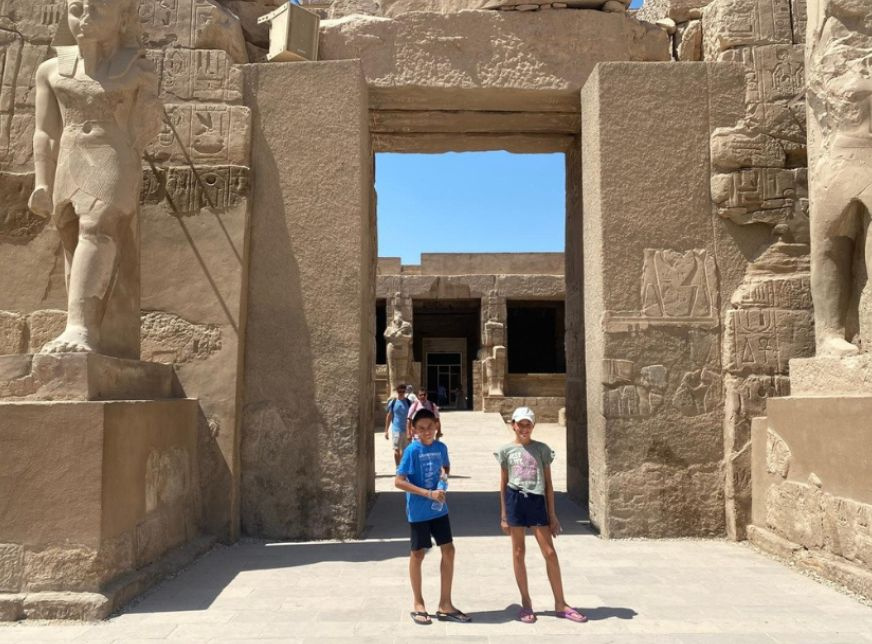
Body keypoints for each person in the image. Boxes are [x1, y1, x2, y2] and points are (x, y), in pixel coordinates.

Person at [495, 406, 587, 624]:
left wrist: (552, 515)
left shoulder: (542, 449)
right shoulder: (506, 451)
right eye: (520, 424)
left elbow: (548, 484)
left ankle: (560, 603)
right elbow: (503, 484)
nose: (524, 428)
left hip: (536, 501)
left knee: (549, 552)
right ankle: (526, 603)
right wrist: (504, 515)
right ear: (513, 425)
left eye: (528, 424)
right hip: (515, 500)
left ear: (533, 426)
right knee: (518, 552)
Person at [395, 408, 470, 625]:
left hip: (439, 509)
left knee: (449, 550)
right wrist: (428, 493)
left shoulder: (441, 447)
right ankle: (418, 603)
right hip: (419, 511)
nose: (426, 431)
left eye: (429, 427)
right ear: (414, 430)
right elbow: (399, 481)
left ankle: (445, 604)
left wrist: (442, 486)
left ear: (436, 426)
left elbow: (445, 469)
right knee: (418, 553)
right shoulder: (412, 450)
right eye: (421, 428)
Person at [384, 385, 411, 466]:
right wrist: (386, 431)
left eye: (403, 391)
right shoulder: (393, 402)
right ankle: (398, 467)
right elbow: (389, 416)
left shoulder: (408, 402)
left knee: (405, 451)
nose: (401, 393)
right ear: (397, 391)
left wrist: (412, 430)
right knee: (396, 450)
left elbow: (411, 417)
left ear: (405, 392)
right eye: (400, 392)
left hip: (406, 430)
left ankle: (402, 467)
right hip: (396, 429)